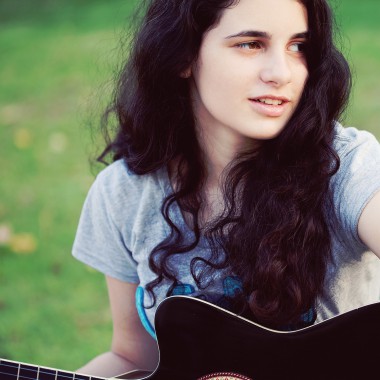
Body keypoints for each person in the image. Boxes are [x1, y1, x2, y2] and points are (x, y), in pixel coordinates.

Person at [72, 0, 380, 377]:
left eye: (298, 46)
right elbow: (133, 359)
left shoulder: (348, 166)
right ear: (183, 57)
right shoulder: (125, 193)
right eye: (250, 44)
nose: (281, 73)